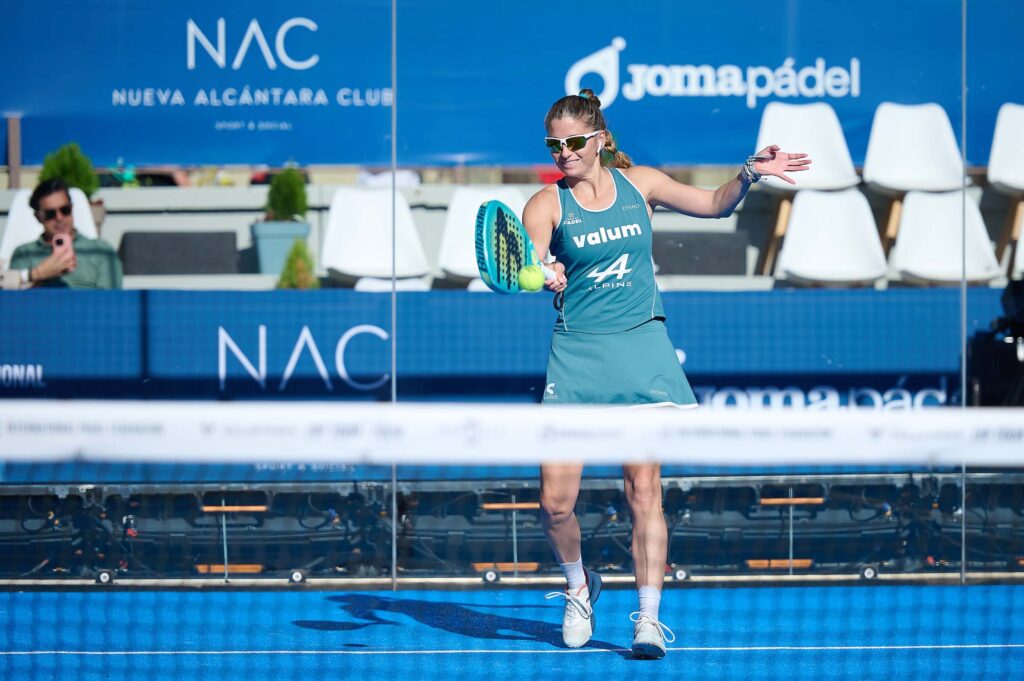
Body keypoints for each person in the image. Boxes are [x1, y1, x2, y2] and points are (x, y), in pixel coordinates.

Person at [524, 89, 810, 658]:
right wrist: (545, 269)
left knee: (643, 490)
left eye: (574, 141)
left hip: (642, 351)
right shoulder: (546, 204)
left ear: (599, 140)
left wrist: (749, 173)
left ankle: (649, 619)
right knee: (555, 503)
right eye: (555, 145)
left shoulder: (643, 185)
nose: (565, 152)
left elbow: (715, 204)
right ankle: (579, 586)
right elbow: (531, 259)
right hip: (578, 356)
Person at [9, 178, 122, 289]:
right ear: (38, 217)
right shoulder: (24, 253)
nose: (59, 217)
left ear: (72, 208)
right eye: (50, 214)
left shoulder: (101, 251)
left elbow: (109, 299)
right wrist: (40, 274)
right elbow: (12, 298)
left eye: (65, 210)